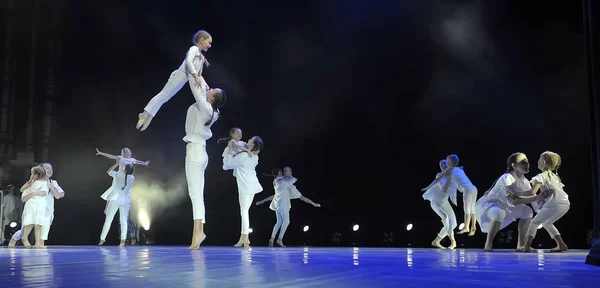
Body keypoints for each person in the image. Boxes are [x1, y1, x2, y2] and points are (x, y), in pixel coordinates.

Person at [136, 30, 213, 131]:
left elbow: (199, 75)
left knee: (165, 98)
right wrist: (195, 75)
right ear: (202, 40)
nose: (210, 45)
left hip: (183, 79)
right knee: (163, 95)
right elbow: (188, 61)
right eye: (209, 42)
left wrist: (206, 85)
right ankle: (144, 114)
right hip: (180, 74)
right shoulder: (194, 49)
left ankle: (150, 114)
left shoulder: (201, 57)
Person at [256, 166, 321, 247]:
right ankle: (279, 239)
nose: (284, 173)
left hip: (277, 203)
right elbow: (291, 180)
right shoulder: (281, 181)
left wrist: (262, 201)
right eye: (283, 171)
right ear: (279, 173)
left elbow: (300, 197)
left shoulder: (279, 182)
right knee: (286, 221)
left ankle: (272, 239)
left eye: (286, 171)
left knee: (279, 222)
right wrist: (290, 176)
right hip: (282, 204)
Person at [223, 136, 264, 249]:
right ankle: (243, 237)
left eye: (250, 140)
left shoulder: (243, 156)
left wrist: (230, 150)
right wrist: (243, 148)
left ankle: (246, 238)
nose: (247, 140)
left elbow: (226, 165)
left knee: (244, 211)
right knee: (245, 210)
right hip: (252, 186)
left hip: (246, 187)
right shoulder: (255, 157)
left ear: (252, 145)